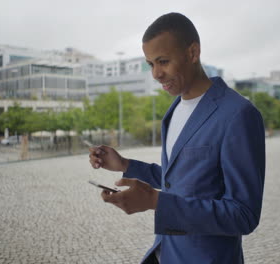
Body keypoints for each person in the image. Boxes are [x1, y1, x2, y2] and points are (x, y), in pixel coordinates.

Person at [89, 12, 265, 264]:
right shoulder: (174, 110)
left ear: (193, 53)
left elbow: (243, 214)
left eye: (163, 61)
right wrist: (125, 165)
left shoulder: (238, 114)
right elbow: (181, 180)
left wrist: (155, 201)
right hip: (165, 254)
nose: (156, 74)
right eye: (150, 64)